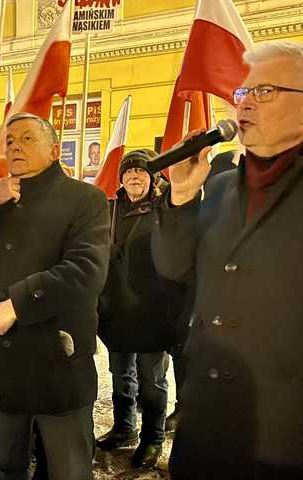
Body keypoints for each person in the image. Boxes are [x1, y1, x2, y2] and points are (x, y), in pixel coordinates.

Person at [152, 40, 303, 480]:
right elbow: (177, 272)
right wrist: (181, 197)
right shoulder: (220, 188)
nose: (245, 104)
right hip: (203, 435)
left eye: (265, 92)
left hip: (292, 448)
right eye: (243, 93)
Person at [0, 112, 110, 480]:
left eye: (27, 138)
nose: (15, 145)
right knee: (4, 465)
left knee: (68, 469)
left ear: (53, 149)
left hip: (56, 362)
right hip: (2, 364)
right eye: (10, 140)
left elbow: (87, 270)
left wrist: (20, 302)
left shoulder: (85, 199)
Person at [96, 150, 186, 468]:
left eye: (142, 171)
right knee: (121, 377)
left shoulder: (164, 208)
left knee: (152, 383)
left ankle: (153, 438)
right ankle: (124, 429)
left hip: (154, 313)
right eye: (129, 171)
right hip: (116, 312)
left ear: (153, 177)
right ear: (121, 178)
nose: (135, 176)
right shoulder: (108, 209)